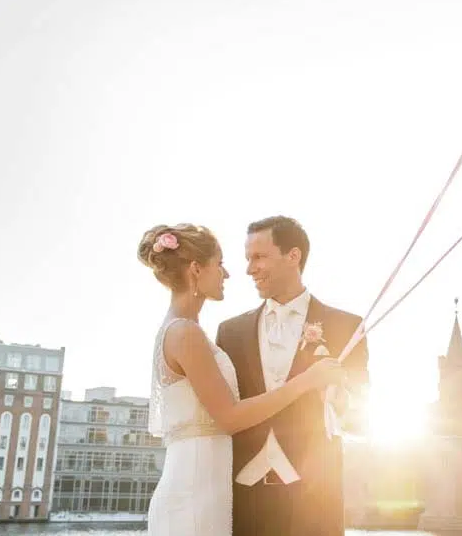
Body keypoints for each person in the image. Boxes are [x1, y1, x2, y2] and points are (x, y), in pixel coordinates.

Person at [139, 223, 345, 536]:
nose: (230, 273)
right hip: (195, 490)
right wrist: (307, 381)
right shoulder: (185, 333)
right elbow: (230, 417)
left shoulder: (190, 331)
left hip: (210, 486)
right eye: (219, 264)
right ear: (196, 270)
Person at [216, 216, 369, 536]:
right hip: (244, 496)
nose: (249, 269)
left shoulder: (347, 326)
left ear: (293, 256)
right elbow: (224, 414)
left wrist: (338, 393)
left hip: (316, 499)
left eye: (259, 257)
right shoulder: (230, 331)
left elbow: (360, 421)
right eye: (248, 259)